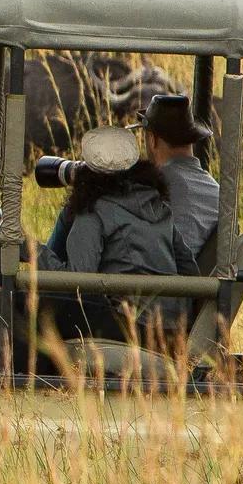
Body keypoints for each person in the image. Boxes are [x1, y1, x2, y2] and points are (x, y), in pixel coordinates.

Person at [40, 126, 180, 340]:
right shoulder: (159, 206)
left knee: (32, 312)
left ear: (87, 170)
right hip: (172, 330)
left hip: (129, 328)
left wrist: (32, 251)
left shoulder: (93, 210)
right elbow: (188, 264)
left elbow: (77, 283)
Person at [137, 93, 219, 268]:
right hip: (200, 288)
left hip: (164, 288)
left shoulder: (155, 188)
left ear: (152, 139)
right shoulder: (218, 191)